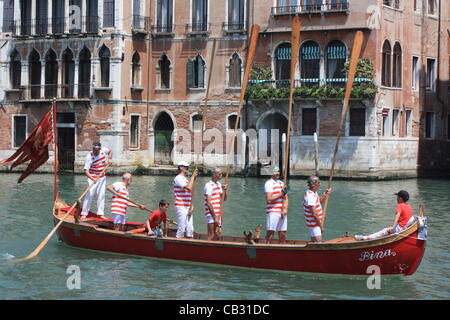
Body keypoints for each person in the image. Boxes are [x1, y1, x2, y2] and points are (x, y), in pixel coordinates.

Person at [80, 142, 113, 219]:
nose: (95, 151)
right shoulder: (89, 157)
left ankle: (100, 213)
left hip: (102, 177)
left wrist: (109, 158)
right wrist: (92, 178)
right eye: (94, 150)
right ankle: (84, 213)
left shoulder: (103, 150)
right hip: (93, 177)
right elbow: (86, 171)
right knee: (90, 195)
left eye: (97, 150)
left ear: (100, 149)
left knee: (101, 195)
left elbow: (110, 151)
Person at [173, 161, 198, 238]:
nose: (187, 168)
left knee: (190, 229)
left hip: (187, 206)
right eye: (185, 167)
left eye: (187, 167)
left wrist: (191, 205)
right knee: (182, 228)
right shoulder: (178, 178)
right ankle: (177, 244)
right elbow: (189, 187)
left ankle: (189, 243)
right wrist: (193, 177)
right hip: (181, 206)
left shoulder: (185, 179)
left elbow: (190, 192)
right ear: (181, 168)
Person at [264, 166, 288, 244]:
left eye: (278, 171)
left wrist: (285, 209)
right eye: (275, 171)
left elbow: (286, 198)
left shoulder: (282, 183)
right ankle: (266, 247)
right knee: (271, 232)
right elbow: (269, 199)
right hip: (272, 211)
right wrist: (281, 194)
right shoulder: (269, 183)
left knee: (283, 233)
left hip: (282, 212)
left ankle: (282, 248)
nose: (277, 173)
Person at [303, 176, 331, 243]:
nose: (320, 184)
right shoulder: (310, 196)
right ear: (313, 184)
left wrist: (325, 194)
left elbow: (319, 202)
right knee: (318, 243)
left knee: (314, 243)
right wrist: (321, 226)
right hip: (314, 224)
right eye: (318, 182)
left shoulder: (314, 193)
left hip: (315, 224)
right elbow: (315, 214)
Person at [204, 168, 227, 241]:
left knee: (217, 234)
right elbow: (209, 203)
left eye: (221, 173)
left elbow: (224, 199)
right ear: (214, 175)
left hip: (218, 213)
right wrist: (215, 217)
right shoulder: (208, 185)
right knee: (212, 235)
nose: (221, 175)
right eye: (219, 174)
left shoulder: (219, 184)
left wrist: (224, 190)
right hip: (211, 213)